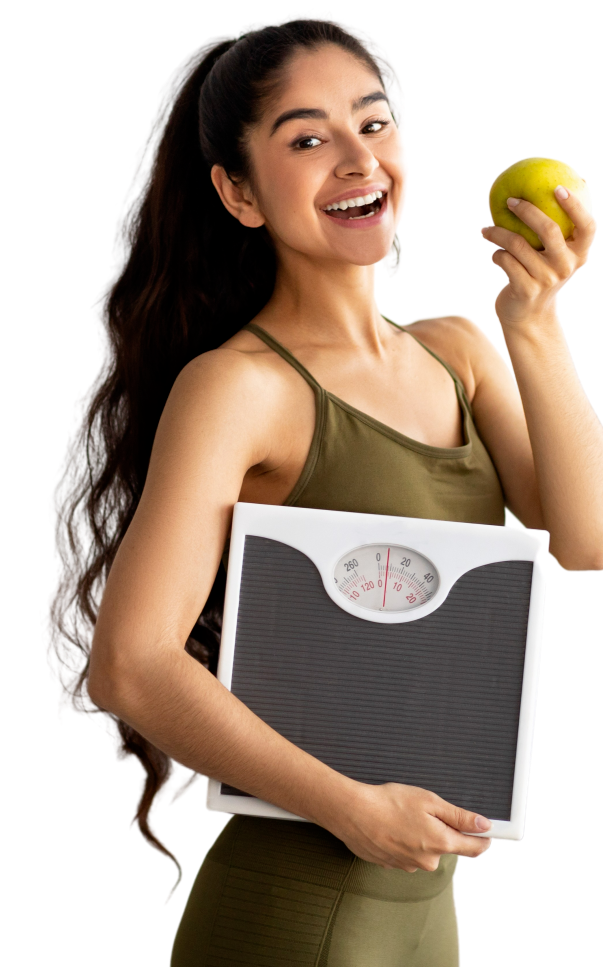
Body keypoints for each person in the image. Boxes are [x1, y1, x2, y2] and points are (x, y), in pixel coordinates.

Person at [46, 16, 500, 967]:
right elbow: (128, 664)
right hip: (298, 907)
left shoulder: (457, 350)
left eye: (373, 125)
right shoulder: (239, 386)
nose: (355, 158)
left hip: (427, 909)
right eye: (306, 139)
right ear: (238, 193)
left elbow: (589, 538)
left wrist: (533, 317)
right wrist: (352, 809)